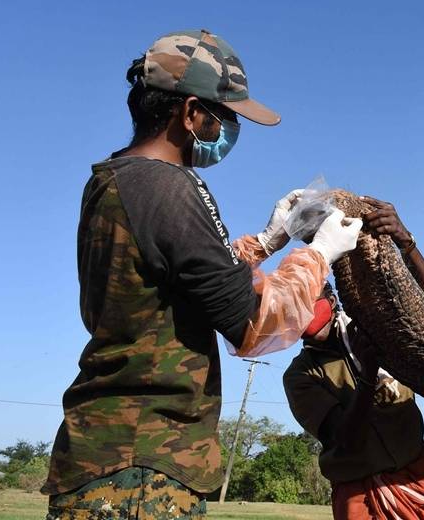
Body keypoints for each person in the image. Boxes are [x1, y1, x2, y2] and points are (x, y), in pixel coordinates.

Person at [42, 29, 362, 519]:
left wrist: (268, 241)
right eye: (224, 118)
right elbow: (256, 324)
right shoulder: (170, 189)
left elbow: (189, 278)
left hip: (107, 451)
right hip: (143, 468)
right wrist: (320, 254)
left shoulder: (116, 182)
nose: (228, 132)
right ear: (190, 113)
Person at [283, 198, 424, 520]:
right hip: (362, 494)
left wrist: (405, 241)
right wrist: (367, 377)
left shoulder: (369, 328)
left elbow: (419, 302)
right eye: (292, 306)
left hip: (423, 477)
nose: (304, 312)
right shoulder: (300, 376)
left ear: (331, 296)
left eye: (309, 298)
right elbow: (346, 440)